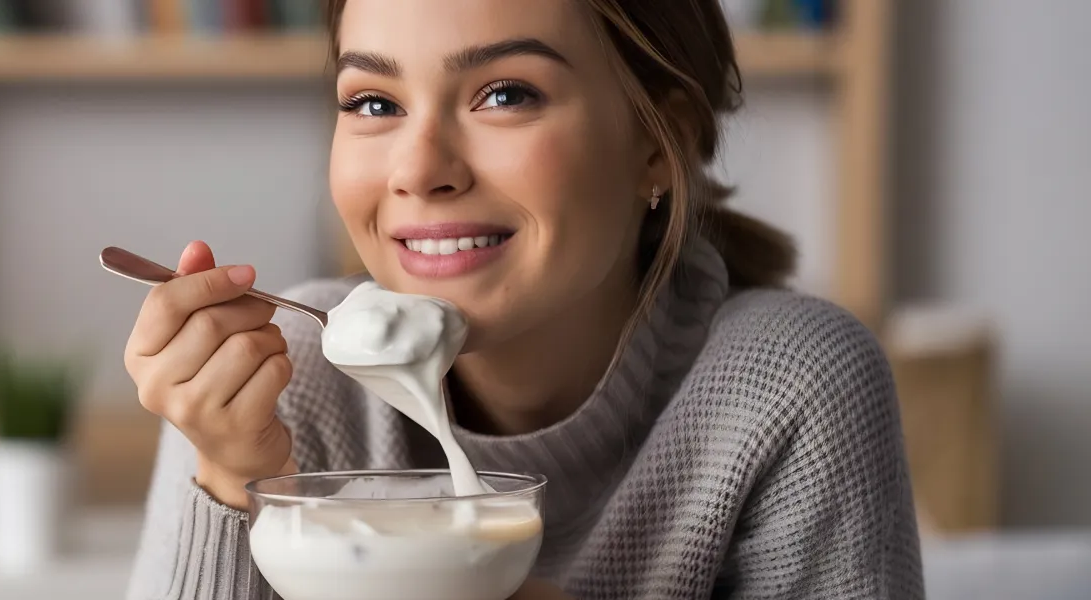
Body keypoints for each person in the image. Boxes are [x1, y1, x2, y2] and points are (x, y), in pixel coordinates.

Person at [123, 0, 924, 598]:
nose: (419, 169)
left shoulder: (790, 386)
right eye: (374, 103)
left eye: (505, 94)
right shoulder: (276, 381)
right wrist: (232, 478)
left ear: (658, 141)